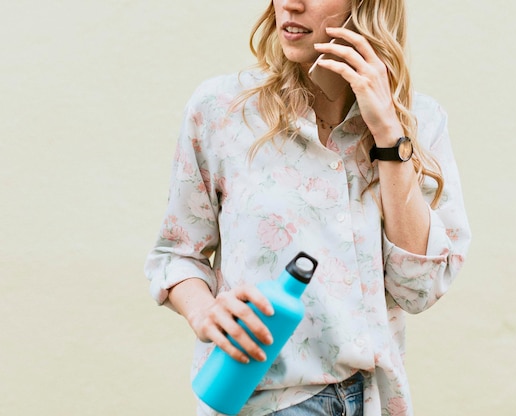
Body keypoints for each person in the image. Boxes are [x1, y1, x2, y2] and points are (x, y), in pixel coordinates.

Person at [144, 0, 471, 414]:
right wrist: (206, 313)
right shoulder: (221, 110)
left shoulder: (419, 122)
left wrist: (388, 134)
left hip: (374, 400)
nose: (290, 3)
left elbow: (418, 288)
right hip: (266, 401)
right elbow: (175, 255)